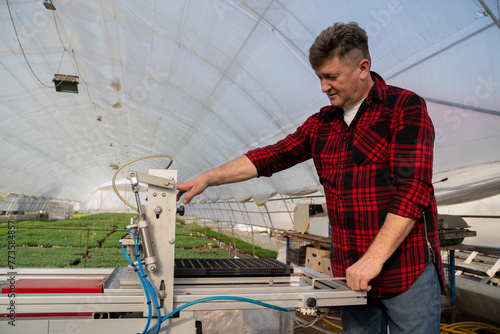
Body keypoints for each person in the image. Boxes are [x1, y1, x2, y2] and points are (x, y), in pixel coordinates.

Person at [177, 22, 445, 333]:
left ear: (363, 67)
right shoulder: (322, 124)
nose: (323, 87)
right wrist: (209, 178)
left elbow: (412, 188)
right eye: (319, 77)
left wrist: (373, 260)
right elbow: (271, 155)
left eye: (331, 77)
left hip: (404, 271)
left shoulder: (403, 107)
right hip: (350, 276)